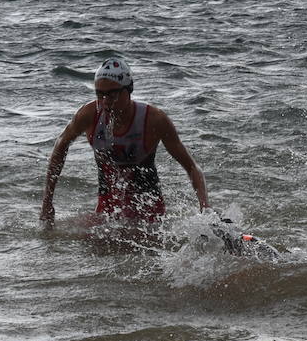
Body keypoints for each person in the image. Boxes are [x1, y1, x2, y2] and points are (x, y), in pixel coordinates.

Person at [40, 57, 209, 226]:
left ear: (129, 90)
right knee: (79, 235)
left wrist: (205, 209)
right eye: (100, 94)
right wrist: (47, 202)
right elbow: (60, 147)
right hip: (107, 202)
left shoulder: (154, 119)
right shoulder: (89, 115)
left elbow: (191, 167)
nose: (105, 102)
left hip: (147, 204)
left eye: (112, 94)